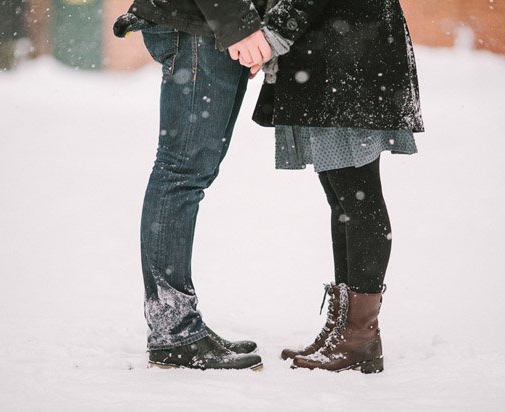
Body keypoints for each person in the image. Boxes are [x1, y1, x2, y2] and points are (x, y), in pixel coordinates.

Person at [250, 0, 424, 373]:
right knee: (342, 198)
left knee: (357, 196)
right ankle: (345, 328)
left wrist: (272, 32)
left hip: (348, 58)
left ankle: (359, 336)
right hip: (332, 54)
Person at [113, 1, 274, 370]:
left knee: (190, 172)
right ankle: (174, 332)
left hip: (208, 25)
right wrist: (237, 23)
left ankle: (179, 323)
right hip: (200, 25)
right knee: (181, 172)